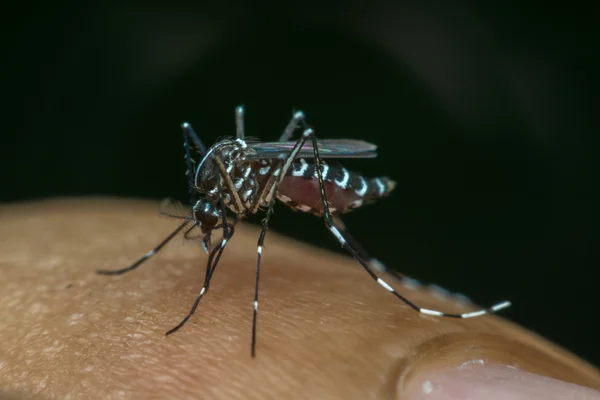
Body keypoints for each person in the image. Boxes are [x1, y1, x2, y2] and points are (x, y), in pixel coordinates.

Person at [1, 199, 599, 399]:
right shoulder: (214, 198)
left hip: (304, 175)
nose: (209, 226)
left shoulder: (240, 201)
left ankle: (387, 281)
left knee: (256, 235)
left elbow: (241, 223)